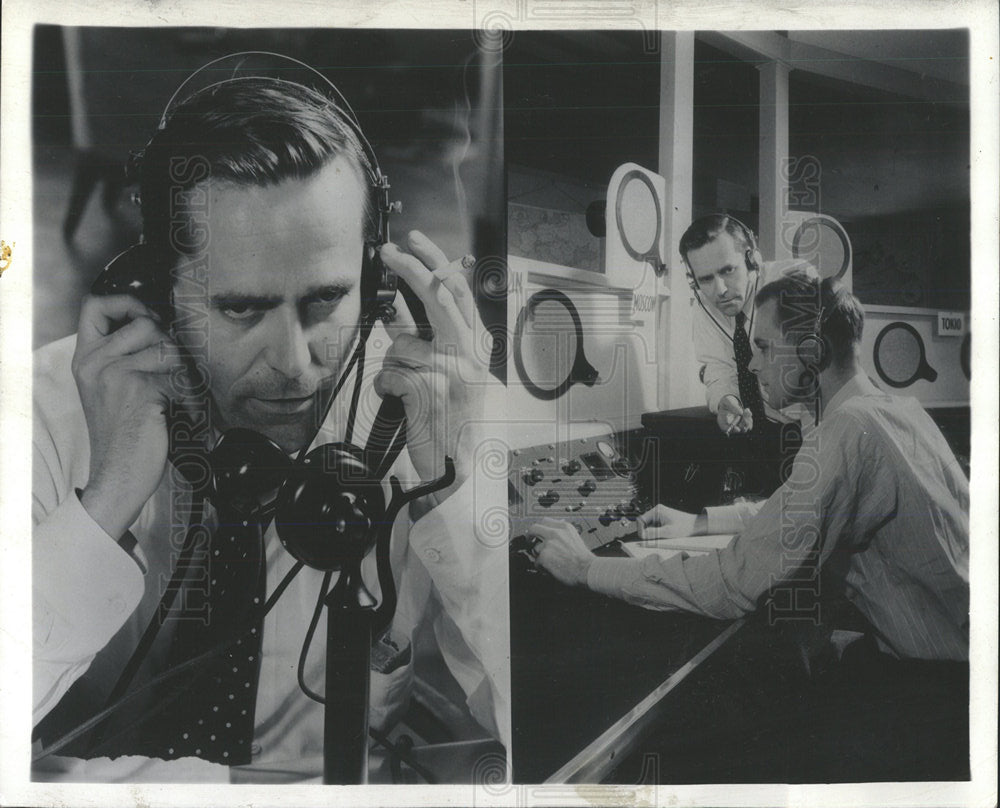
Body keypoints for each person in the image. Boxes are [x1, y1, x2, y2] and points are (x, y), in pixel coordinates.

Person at [31, 65, 509, 782]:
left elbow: (539, 731)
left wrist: (459, 489)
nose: (292, 363)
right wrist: (105, 502)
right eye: (241, 308)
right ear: (159, 288)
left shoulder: (434, 401)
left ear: (374, 280)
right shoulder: (44, 406)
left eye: (325, 300)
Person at [532, 271, 969, 779]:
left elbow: (732, 581)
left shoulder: (849, 433)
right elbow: (800, 510)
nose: (753, 362)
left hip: (933, 691)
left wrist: (587, 568)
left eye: (764, 346)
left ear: (810, 352)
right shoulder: (896, 410)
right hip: (954, 669)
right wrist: (700, 521)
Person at [681, 214, 816, 436]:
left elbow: (820, 376)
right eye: (705, 279)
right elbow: (718, 367)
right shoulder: (704, 304)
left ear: (752, 260)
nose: (720, 290)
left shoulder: (794, 282)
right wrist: (727, 399)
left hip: (812, 428)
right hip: (761, 429)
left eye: (727, 271)